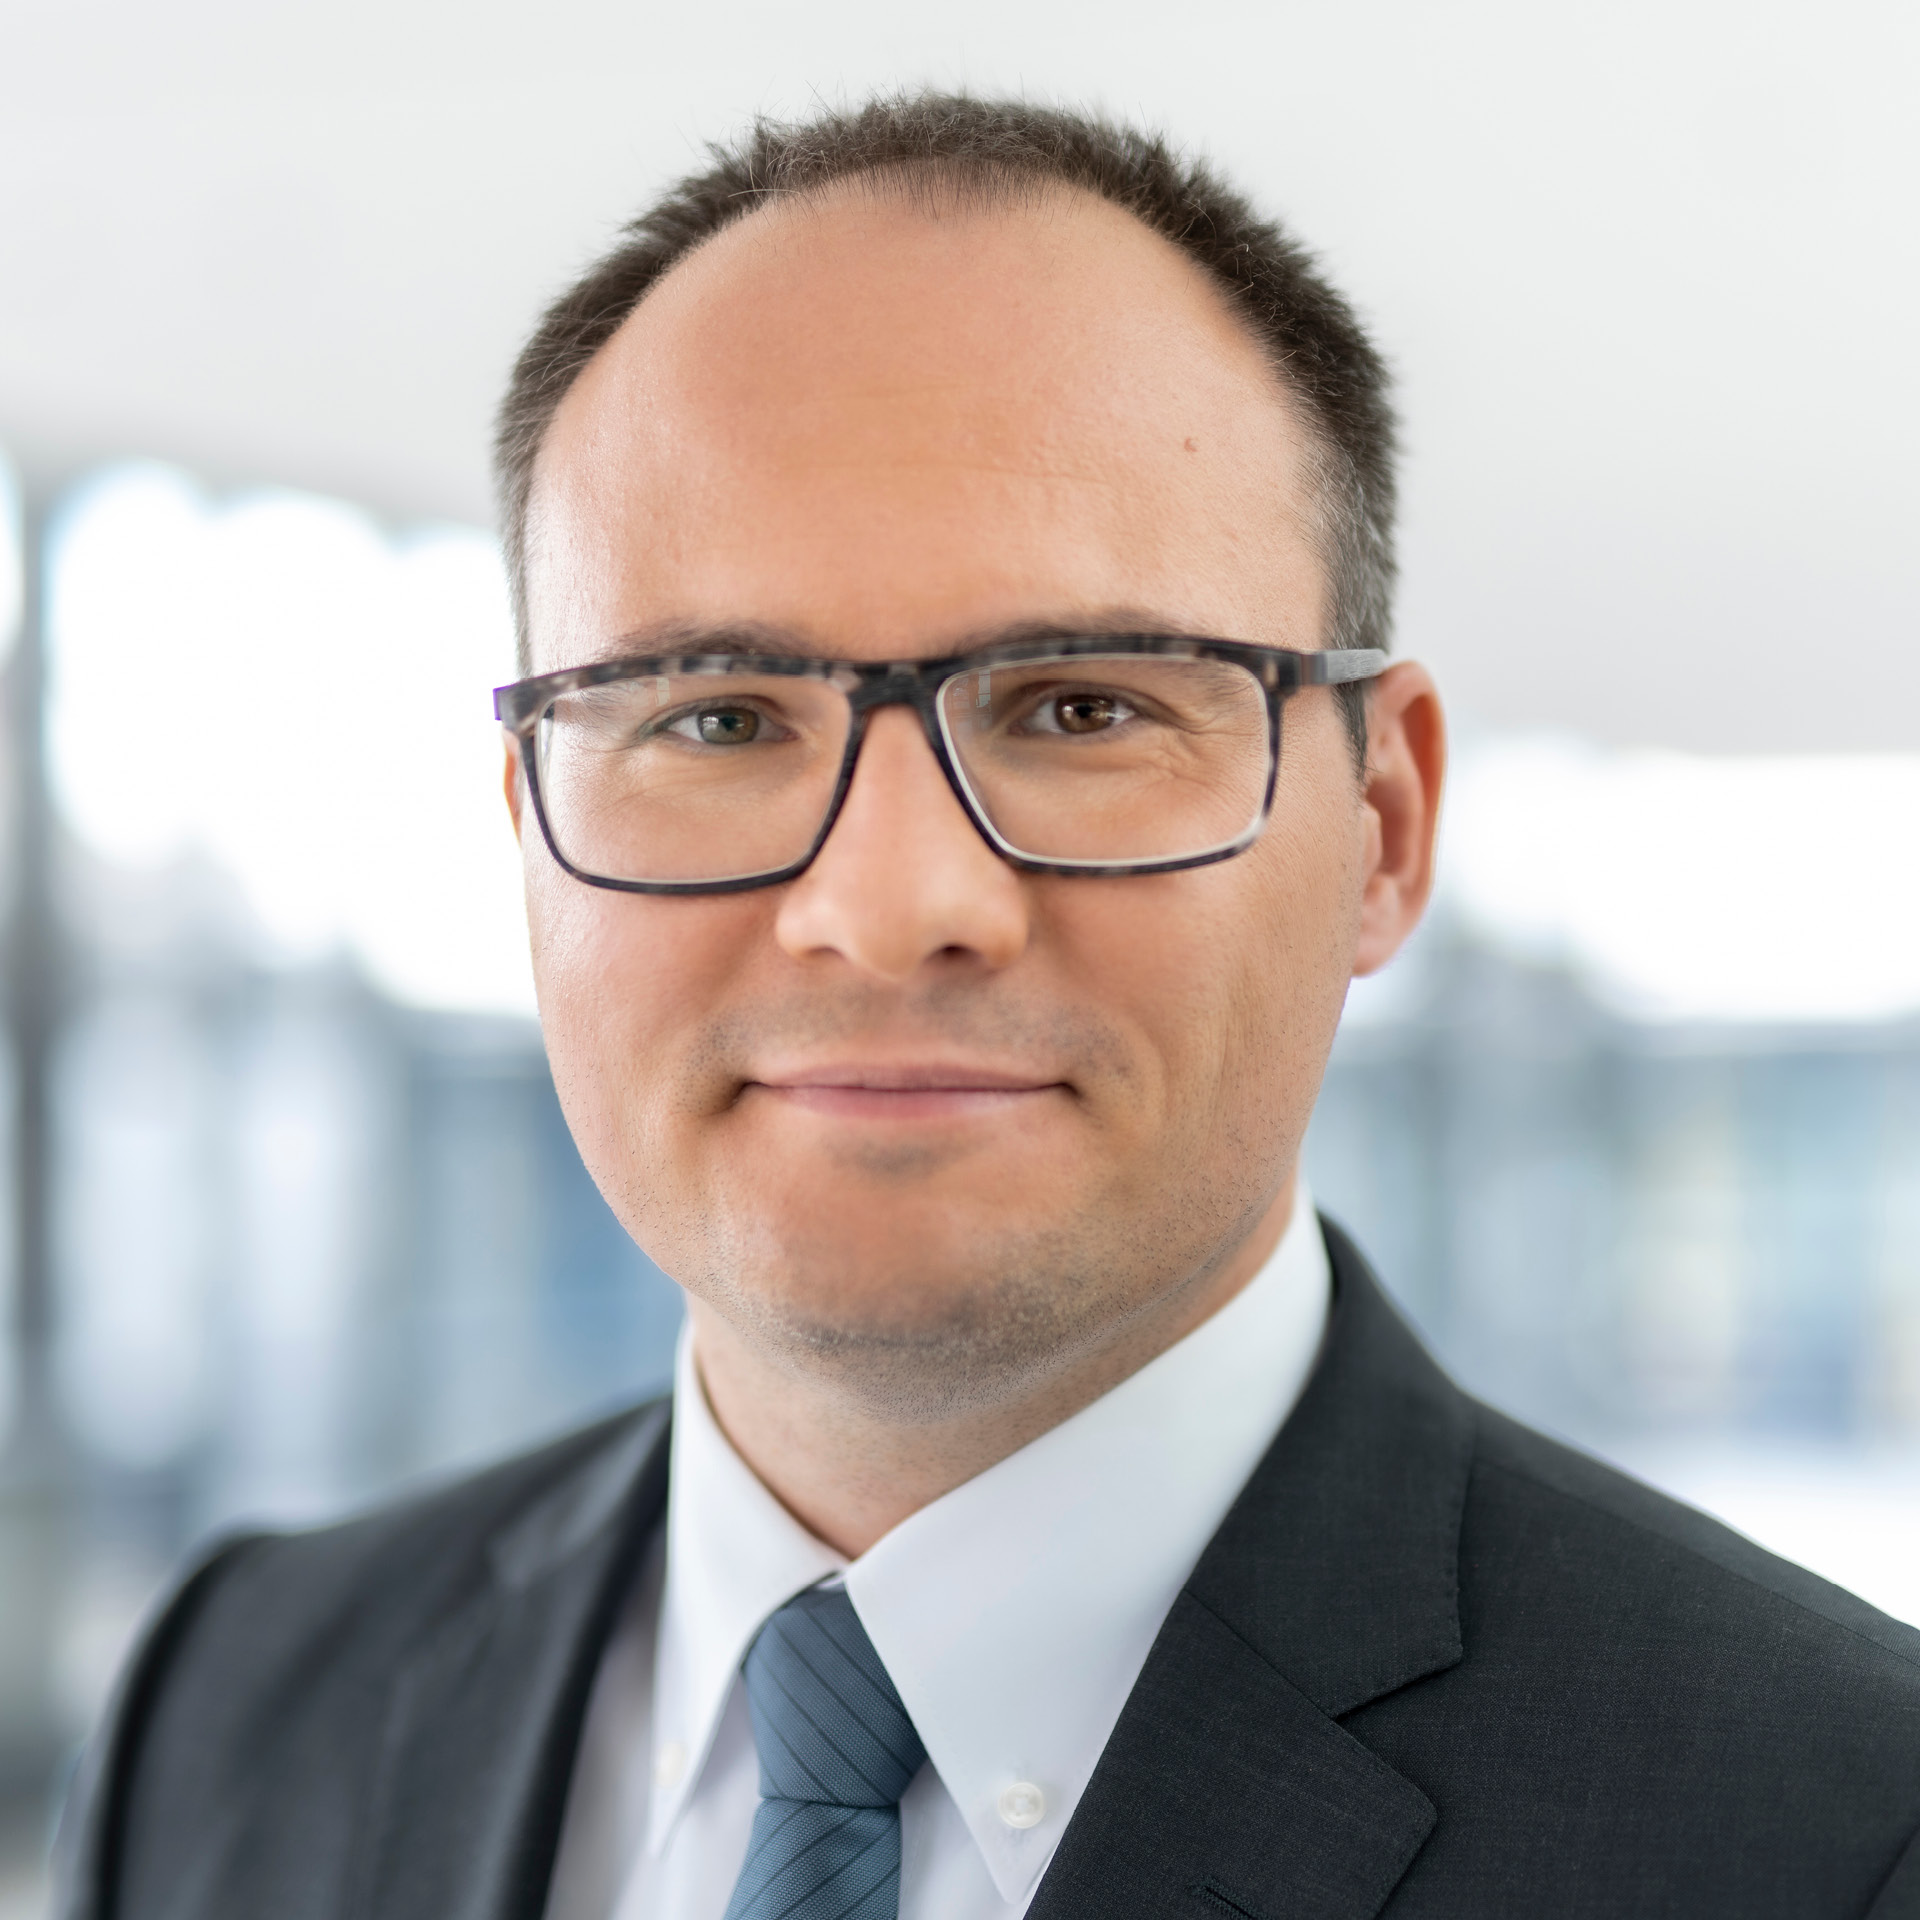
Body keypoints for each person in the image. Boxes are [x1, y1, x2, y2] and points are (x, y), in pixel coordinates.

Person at [58, 94, 1920, 1920]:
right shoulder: (233, 1707)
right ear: (531, 828)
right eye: (716, 717)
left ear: (1383, 827)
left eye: (1084, 708)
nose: (888, 911)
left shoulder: (1837, 1831)